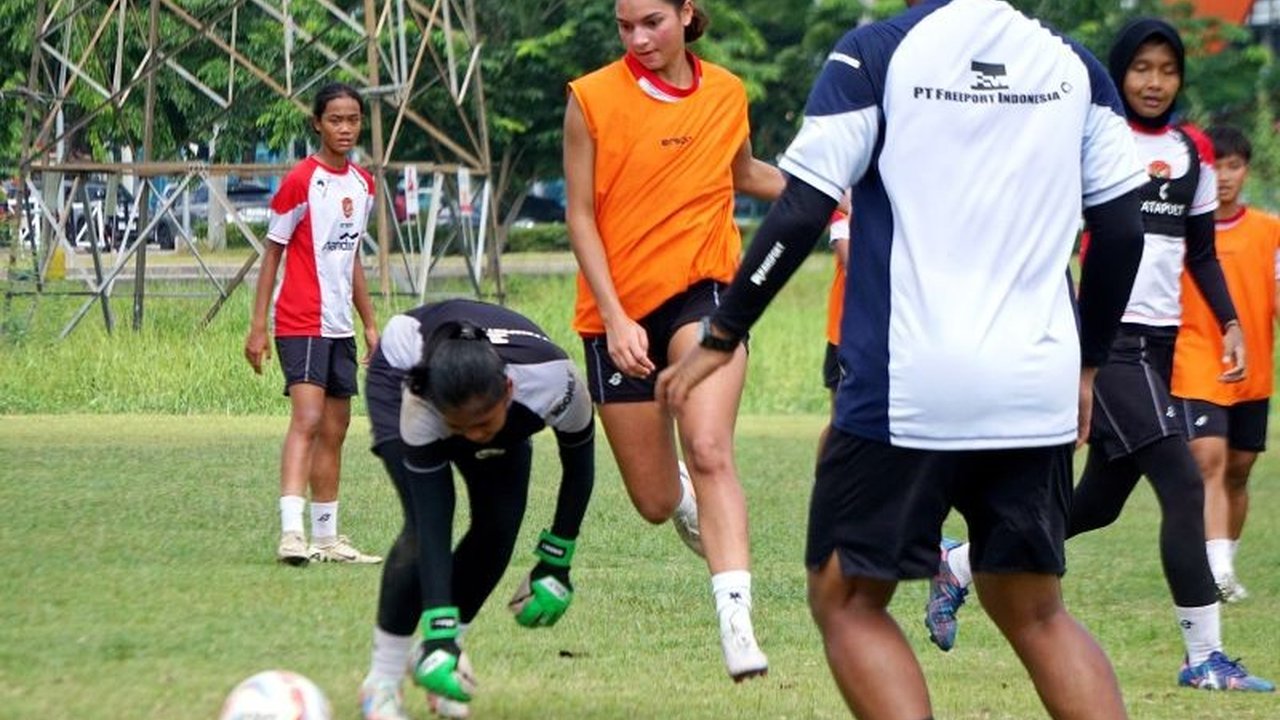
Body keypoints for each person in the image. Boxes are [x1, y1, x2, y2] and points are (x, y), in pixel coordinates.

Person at [659, 0, 1150, 716]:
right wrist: (1088, 365)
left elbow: (801, 208)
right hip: (1034, 385)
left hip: (909, 385)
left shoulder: (874, 54)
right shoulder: (1075, 66)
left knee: (848, 599)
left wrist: (723, 333)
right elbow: (1123, 229)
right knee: (1036, 609)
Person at [923, 18, 1275, 693]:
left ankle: (958, 563)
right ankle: (1204, 657)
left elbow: (1199, 251)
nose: (1154, 81)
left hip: (1161, 345)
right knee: (1181, 484)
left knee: (1100, 504)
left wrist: (1229, 321)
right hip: (1112, 341)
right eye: (1141, 68)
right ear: (1118, 73)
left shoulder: (1191, 152)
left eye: (1167, 70)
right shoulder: (1088, 137)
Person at [562, 0, 785, 681]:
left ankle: (736, 623)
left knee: (711, 447)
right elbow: (577, 213)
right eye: (626, 26)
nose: (638, 38)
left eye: (652, 22)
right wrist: (615, 315)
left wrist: (836, 199)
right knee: (656, 503)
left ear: (688, 13)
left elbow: (742, 174)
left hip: (705, 293)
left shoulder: (726, 92)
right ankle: (685, 500)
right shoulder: (591, 99)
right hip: (616, 315)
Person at [356, 300, 595, 720]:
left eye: (482, 426)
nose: (472, 438)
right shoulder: (421, 403)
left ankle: (439, 660)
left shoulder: (556, 383)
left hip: (488, 391)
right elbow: (433, 526)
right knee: (419, 527)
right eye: (460, 430)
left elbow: (579, 467)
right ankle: (382, 681)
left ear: (508, 391)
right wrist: (438, 629)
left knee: (498, 525)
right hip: (401, 373)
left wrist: (557, 560)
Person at [245, 82, 382, 566]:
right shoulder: (302, 181)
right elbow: (272, 253)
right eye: (335, 120)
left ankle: (327, 539)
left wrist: (369, 323)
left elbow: (353, 258)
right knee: (306, 419)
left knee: (336, 427)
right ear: (317, 124)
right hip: (300, 320)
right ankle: (291, 535)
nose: (345, 128)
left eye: (353, 119)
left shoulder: (363, 185)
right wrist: (258, 326)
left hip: (339, 325)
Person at [1172, 124, 1280, 603]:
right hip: (1195, 358)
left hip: (1253, 370)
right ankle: (1214, 573)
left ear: (1246, 171)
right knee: (1209, 459)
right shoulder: (1182, 233)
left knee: (1238, 469)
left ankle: (1225, 564)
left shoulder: (1269, 230)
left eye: (1233, 166)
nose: (1222, 177)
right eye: (1214, 166)